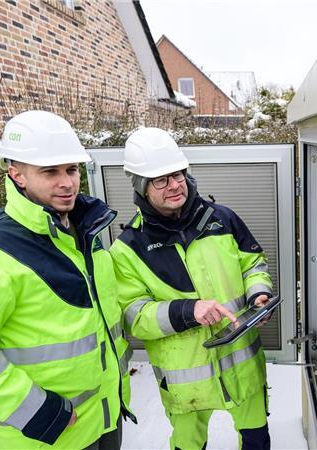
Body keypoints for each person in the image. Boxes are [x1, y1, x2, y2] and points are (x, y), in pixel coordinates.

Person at [0, 110, 134, 449]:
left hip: (104, 420)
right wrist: (40, 413)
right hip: (46, 436)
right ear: (17, 174)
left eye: (71, 169)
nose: (67, 182)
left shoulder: (82, 234)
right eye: (50, 171)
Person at [110, 127, 273, 450]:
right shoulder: (128, 249)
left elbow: (253, 263)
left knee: (256, 439)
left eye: (178, 175)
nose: (175, 185)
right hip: (186, 380)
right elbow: (133, 315)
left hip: (243, 370)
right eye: (161, 180)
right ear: (142, 187)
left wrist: (258, 294)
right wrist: (187, 311)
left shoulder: (223, 219)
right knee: (187, 444)